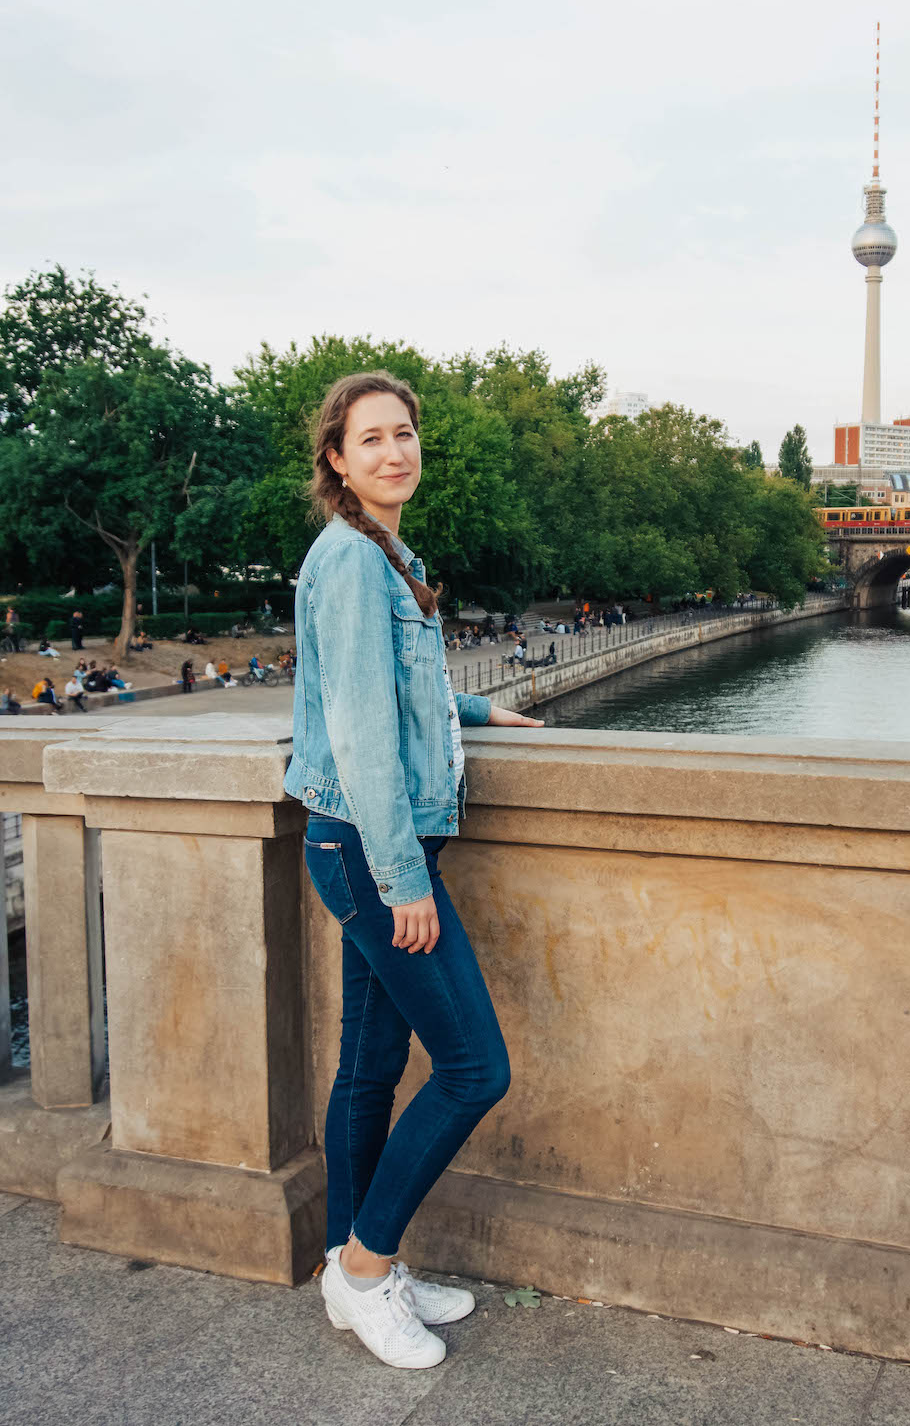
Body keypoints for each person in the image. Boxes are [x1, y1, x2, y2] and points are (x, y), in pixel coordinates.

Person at [283, 370, 543, 1372]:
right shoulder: (350, 561)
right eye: (372, 439)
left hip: (373, 844)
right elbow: (357, 735)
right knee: (476, 1067)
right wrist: (403, 884)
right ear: (338, 461)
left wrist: (478, 712)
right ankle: (362, 1267)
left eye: (405, 434)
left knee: (371, 1069)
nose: (396, 452)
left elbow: (395, 688)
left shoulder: (387, 550)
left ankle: (357, 1273)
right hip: (370, 849)